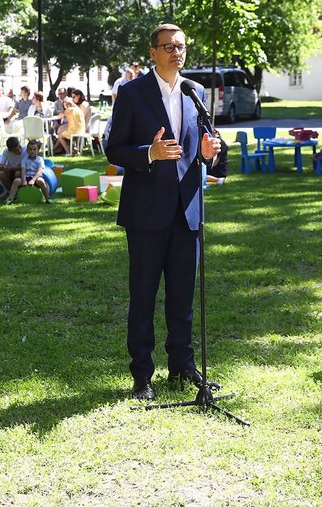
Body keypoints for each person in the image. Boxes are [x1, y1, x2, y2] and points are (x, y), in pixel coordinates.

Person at [105, 23, 222, 400]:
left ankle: (182, 366)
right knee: (143, 295)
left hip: (187, 211)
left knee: (182, 295)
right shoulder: (132, 92)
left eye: (182, 46)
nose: (176, 52)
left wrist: (209, 154)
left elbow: (207, 151)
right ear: (152, 52)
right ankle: (142, 374)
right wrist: (148, 154)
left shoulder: (195, 91)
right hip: (145, 214)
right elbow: (114, 148)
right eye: (168, 46)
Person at [5, 140, 50, 204]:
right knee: (16, 181)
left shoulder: (40, 159)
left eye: (34, 149)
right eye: (30, 149)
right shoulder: (25, 159)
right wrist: (23, 180)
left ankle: (47, 198)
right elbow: (23, 170)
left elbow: (39, 171)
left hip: (36, 178)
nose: (32, 151)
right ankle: (10, 198)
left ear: (38, 150)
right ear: (27, 150)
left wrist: (33, 180)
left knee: (41, 181)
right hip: (26, 177)